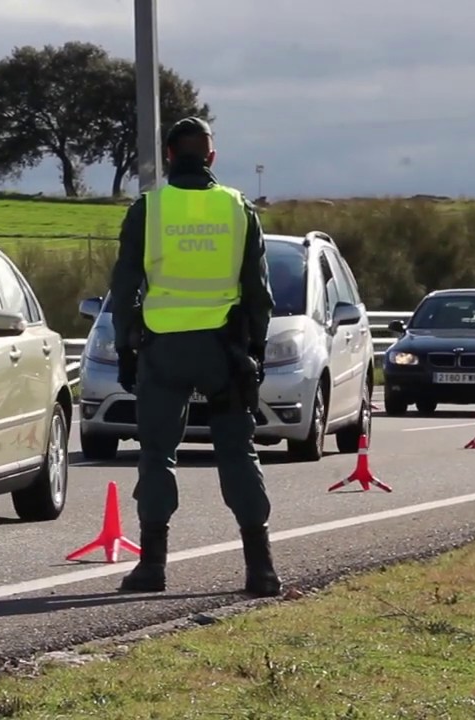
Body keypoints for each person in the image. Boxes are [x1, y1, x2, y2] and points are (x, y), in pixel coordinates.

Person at [105, 116, 282, 597]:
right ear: (211, 158)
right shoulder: (238, 207)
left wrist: (125, 346)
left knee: (157, 455)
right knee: (237, 453)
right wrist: (255, 349)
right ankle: (260, 567)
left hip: (164, 349)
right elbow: (259, 292)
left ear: (167, 155)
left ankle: (152, 567)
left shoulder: (149, 209)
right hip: (223, 350)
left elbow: (123, 288)